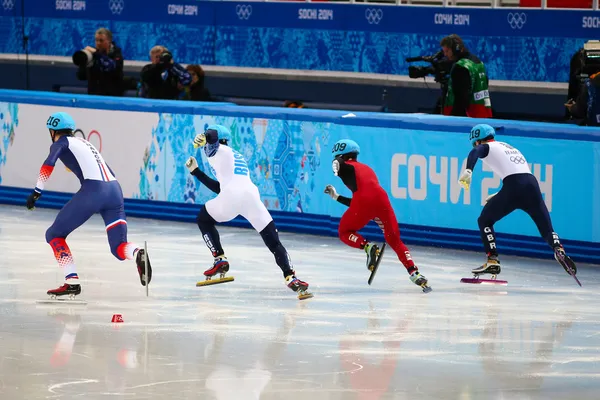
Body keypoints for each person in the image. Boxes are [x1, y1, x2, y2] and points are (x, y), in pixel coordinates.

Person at [26, 112, 152, 298]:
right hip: (115, 190)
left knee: (53, 234)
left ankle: (71, 281)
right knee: (119, 247)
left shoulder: (61, 143)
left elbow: (48, 163)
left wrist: (37, 192)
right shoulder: (86, 143)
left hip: (94, 190)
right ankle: (137, 252)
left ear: (53, 131)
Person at [185, 124, 312, 300]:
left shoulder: (218, 150)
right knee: (274, 243)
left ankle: (219, 258)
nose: (206, 148)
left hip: (232, 197)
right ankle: (290, 276)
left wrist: (205, 136)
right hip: (251, 196)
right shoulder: (235, 156)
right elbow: (222, 187)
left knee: (203, 219)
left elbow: (212, 137)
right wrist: (196, 172)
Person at [458, 124, 577, 278]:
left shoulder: (487, 146)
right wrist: (501, 194)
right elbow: (518, 175)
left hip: (514, 187)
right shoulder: (509, 147)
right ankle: (558, 248)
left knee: (484, 220)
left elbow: (475, 152)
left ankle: (492, 260)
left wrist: (468, 170)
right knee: (546, 229)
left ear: (479, 140)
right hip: (531, 185)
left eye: (475, 142)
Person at [323, 139, 431, 292]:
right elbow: (366, 197)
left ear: (340, 155)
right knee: (394, 239)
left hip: (364, 203)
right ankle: (414, 272)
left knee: (344, 232)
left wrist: (338, 164)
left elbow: (343, 168)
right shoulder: (367, 168)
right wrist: (337, 197)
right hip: (382, 201)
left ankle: (368, 246)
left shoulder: (344, 166)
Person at [440, 34, 492, 118]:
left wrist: (451, 121)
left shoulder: (460, 67)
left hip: (469, 119)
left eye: (447, 51)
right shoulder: (477, 62)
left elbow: (461, 100)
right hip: (485, 114)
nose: (445, 55)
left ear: (456, 49)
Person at [74, 27, 124, 97]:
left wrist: (96, 53)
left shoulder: (117, 55)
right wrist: (83, 62)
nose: (98, 43)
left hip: (112, 97)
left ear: (109, 41)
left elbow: (110, 66)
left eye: (101, 41)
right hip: (93, 96)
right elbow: (81, 77)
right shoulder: (92, 55)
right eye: (96, 40)